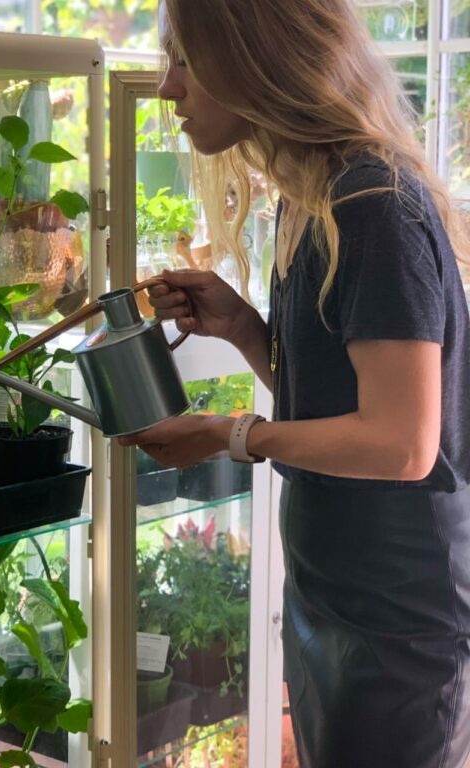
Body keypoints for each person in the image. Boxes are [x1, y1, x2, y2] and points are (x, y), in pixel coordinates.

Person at [117, 1, 470, 766]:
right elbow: (337, 406)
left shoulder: (373, 205)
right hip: (333, 595)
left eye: (185, 58)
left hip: (395, 624)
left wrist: (231, 435)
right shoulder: (312, 204)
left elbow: (403, 444)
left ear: (254, 57)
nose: (167, 87)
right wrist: (245, 325)